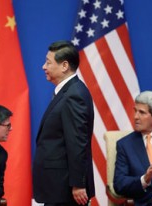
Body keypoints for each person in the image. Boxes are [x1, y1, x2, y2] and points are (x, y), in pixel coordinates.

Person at [32, 40, 95, 206]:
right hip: (57, 186)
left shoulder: (74, 94)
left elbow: (77, 142)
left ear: (64, 66)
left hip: (66, 188)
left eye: (48, 62)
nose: (43, 67)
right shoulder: (68, 91)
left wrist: (78, 184)